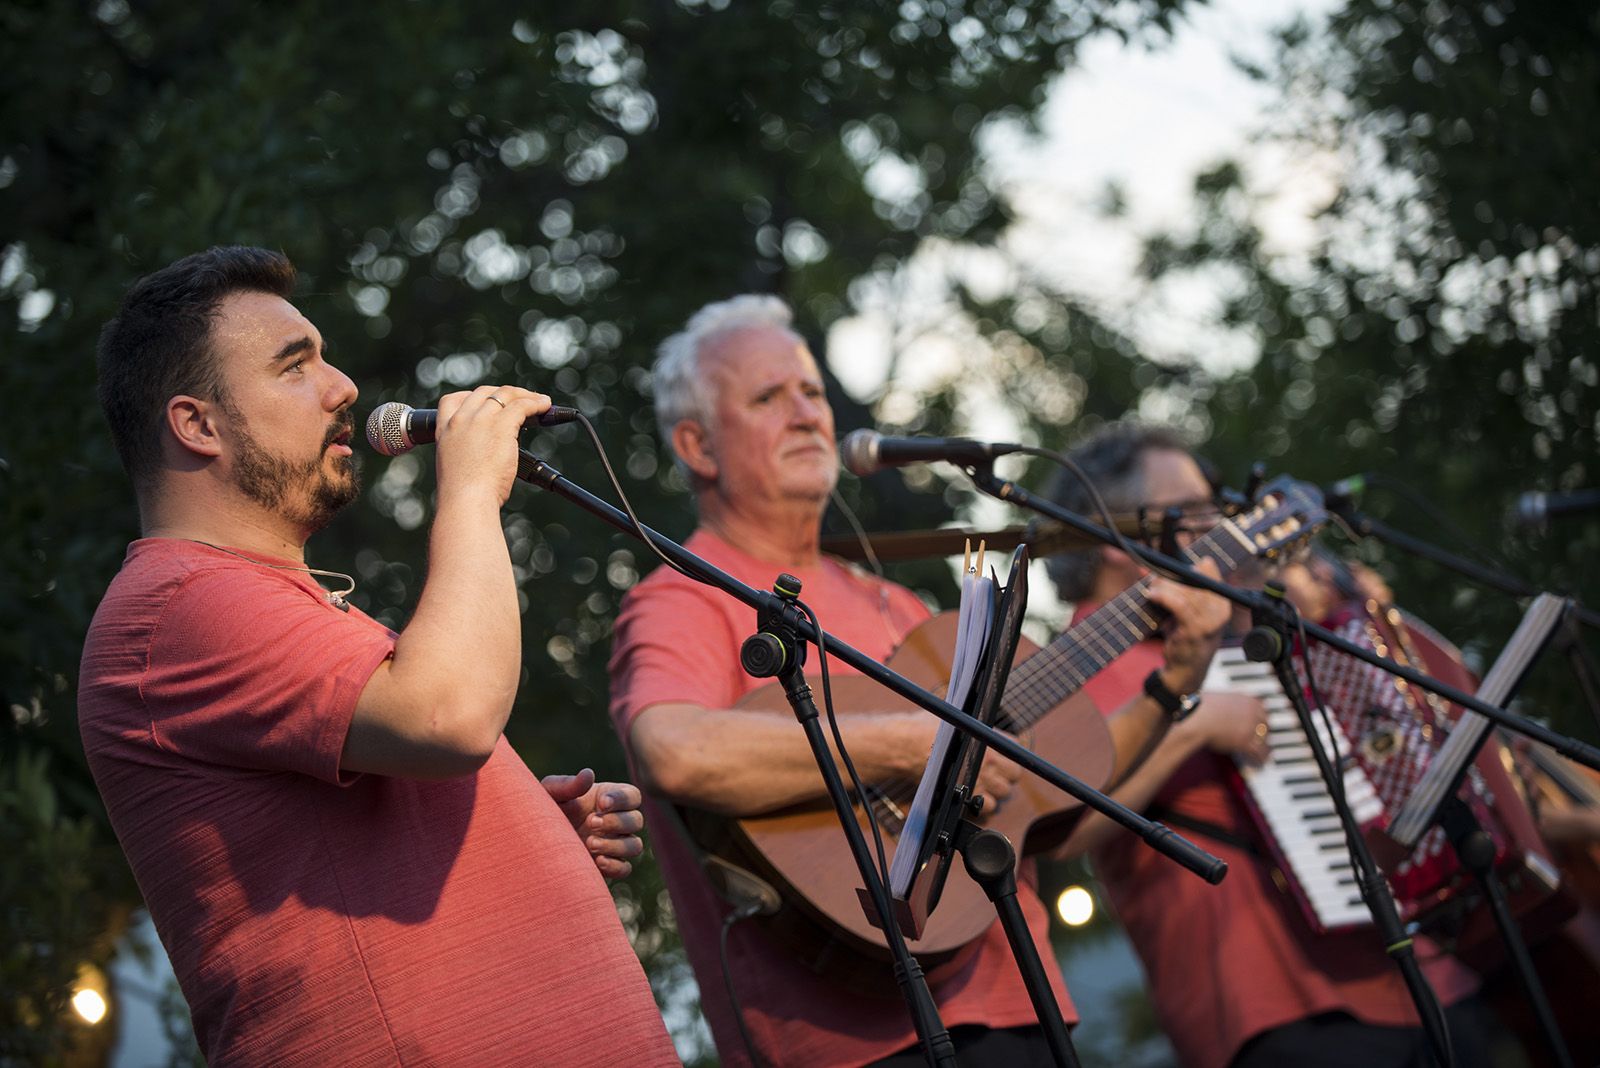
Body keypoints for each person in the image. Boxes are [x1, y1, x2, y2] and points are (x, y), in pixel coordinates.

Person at [78, 247, 677, 1066]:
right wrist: (469, 491)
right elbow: (448, 716)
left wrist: (511, 833)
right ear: (198, 424)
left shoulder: (260, 603)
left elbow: (370, 805)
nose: (344, 387)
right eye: (296, 367)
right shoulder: (179, 603)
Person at [606, 296, 1232, 1067]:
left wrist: (1174, 685)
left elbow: (1056, 801)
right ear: (698, 445)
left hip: (1025, 1004)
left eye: (812, 392)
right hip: (857, 1043)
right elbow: (675, 750)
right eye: (769, 397)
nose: (808, 414)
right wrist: (916, 746)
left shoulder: (894, 601)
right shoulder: (686, 595)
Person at [1045, 423, 1487, 1068]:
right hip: (1269, 1002)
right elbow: (1060, 828)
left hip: (1414, 972)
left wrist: (1362, 631)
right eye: (1194, 514)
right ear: (1119, 539)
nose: (1223, 524)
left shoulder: (1243, 620)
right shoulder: (1070, 665)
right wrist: (1187, 724)